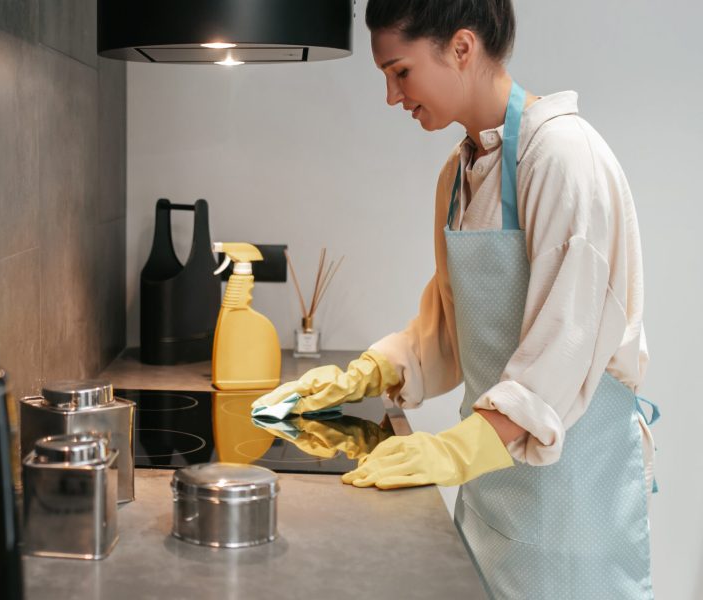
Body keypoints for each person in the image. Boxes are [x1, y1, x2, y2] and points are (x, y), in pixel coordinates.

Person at [250, 1, 656, 597]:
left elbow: (567, 341)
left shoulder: (563, 157)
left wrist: (459, 446)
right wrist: (366, 373)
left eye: (400, 71)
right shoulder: (458, 174)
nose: (392, 96)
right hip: (493, 485)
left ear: (461, 48)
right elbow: (449, 321)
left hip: (572, 497)